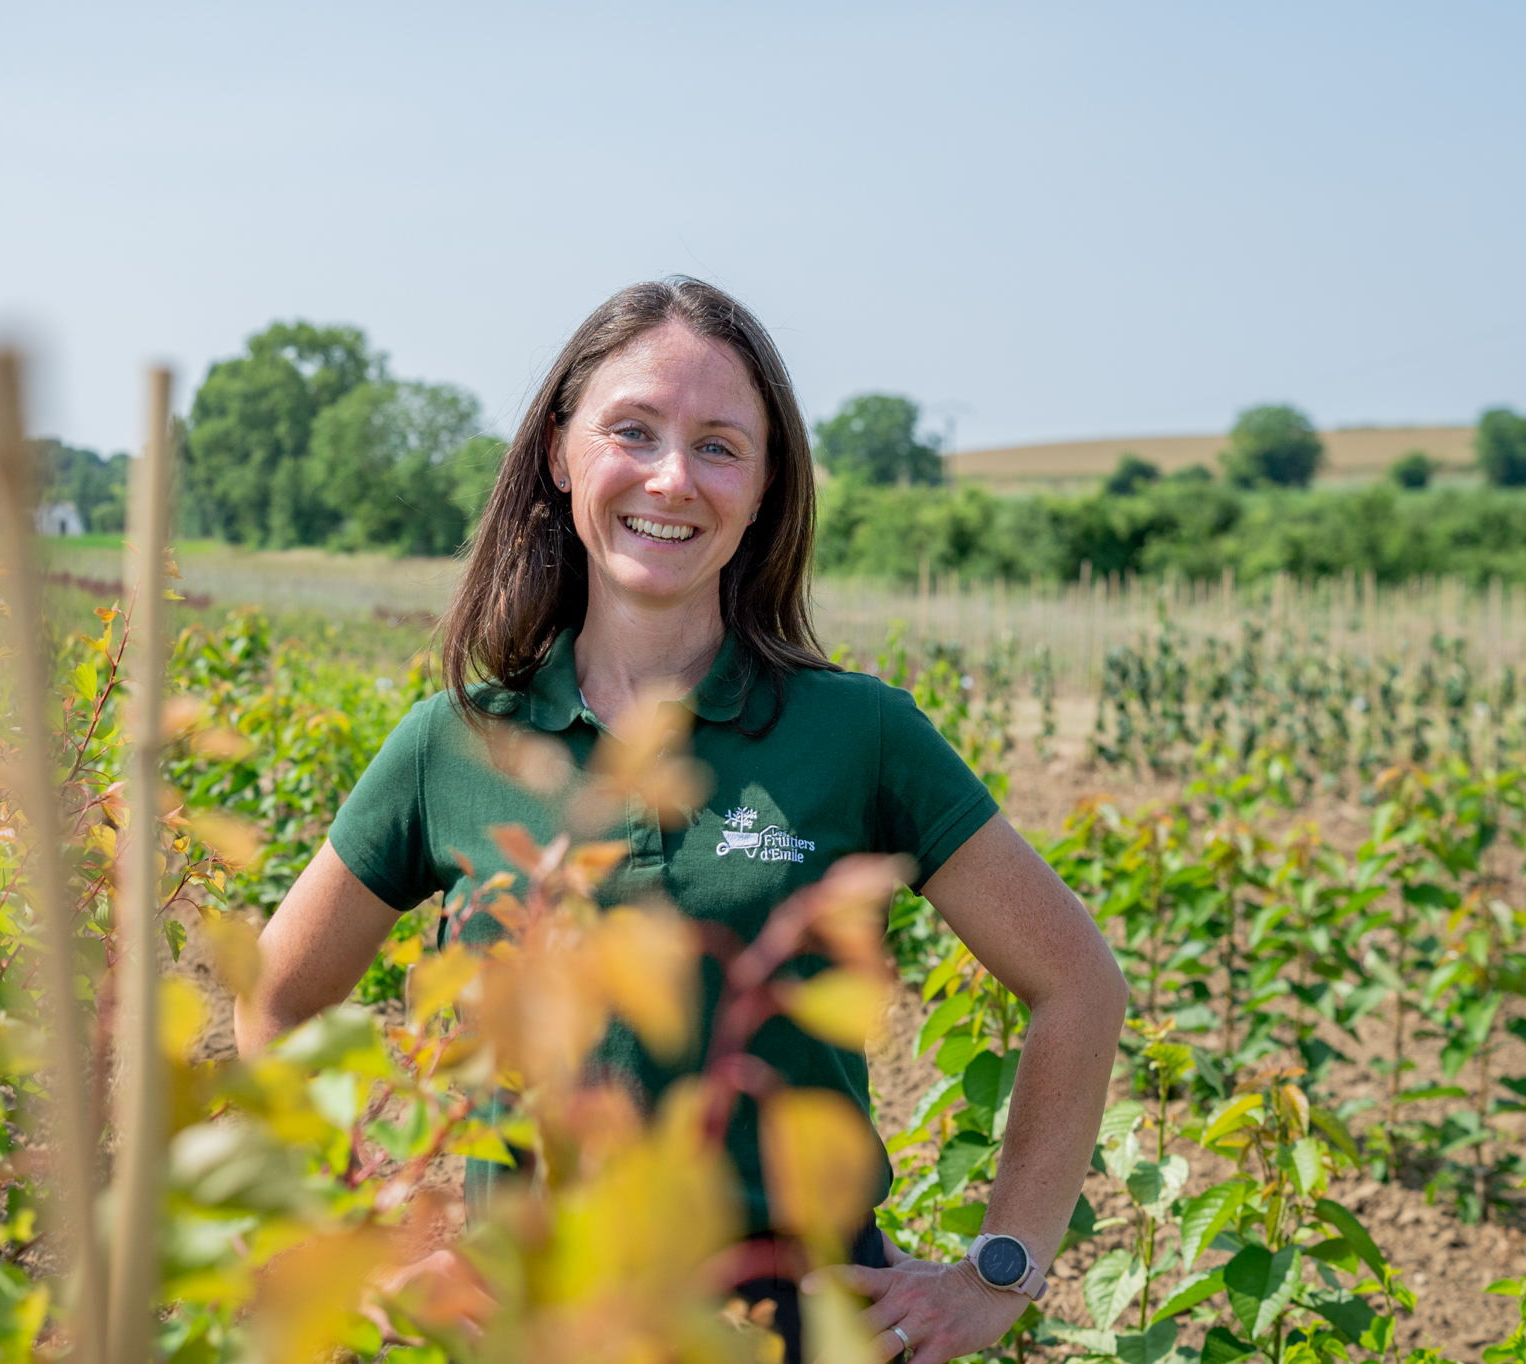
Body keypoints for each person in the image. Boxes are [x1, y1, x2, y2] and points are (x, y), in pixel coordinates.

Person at [236, 278, 1126, 1364]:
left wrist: (1002, 1268)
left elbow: (1076, 982)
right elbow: (275, 997)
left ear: (762, 489)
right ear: (560, 452)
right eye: (633, 430)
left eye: (718, 445)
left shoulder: (861, 734)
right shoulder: (451, 745)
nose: (671, 477)